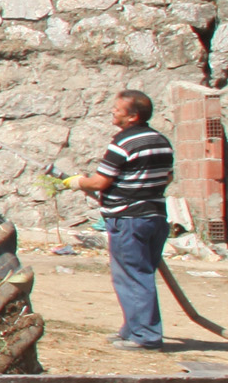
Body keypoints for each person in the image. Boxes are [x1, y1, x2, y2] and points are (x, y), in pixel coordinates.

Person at [73, 88, 176, 351]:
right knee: (138, 274)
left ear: (133, 117)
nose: (113, 112)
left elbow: (100, 181)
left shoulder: (123, 143)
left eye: (117, 109)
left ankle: (146, 337)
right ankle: (131, 329)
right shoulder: (162, 141)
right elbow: (167, 177)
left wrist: (79, 182)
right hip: (155, 218)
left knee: (132, 277)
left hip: (129, 220)